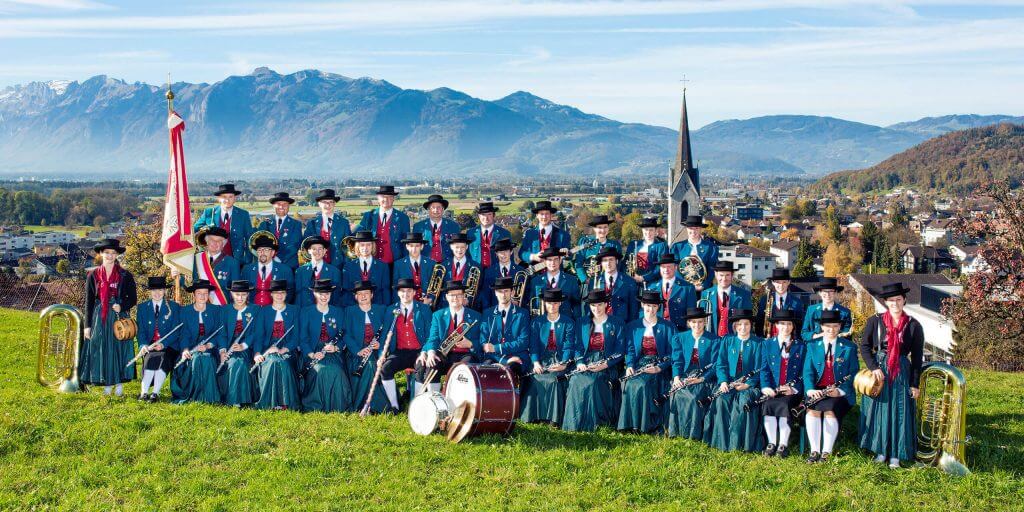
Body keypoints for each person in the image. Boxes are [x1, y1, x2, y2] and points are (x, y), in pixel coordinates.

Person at [858, 282, 924, 469]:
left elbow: (917, 358)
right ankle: (880, 450)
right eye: (891, 300)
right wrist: (873, 367)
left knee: (899, 412)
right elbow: (864, 347)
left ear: (904, 300)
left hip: (901, 371)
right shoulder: (875, 321)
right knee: (880, 410)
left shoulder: (914, 326)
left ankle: (896, 454)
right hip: (880, 370)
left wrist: (914, 384)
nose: (894, 303)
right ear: (885, 302)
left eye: (898, 299)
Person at [80, 238, 137, 397]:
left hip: (119, 318)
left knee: (118, 350)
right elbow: (89, 302)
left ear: (117, 255)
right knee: (103, 349)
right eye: (106, 253)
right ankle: (106, 384)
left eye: (113, 253)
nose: (110, 256)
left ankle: (118, 384)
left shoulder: (125, 275)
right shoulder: (93, 275)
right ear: (100, 254)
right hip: (100, 317)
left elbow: (133, 299)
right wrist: (87, 325)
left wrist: (122, 306)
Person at [562, 290, 626, 432]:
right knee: (575, 381)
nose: (596, 309)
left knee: (593, 382)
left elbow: (620, 351)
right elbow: (577, 346)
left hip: (607, 363)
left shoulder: (617, 323)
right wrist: (579, 363)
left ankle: (595, 424)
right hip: (586, 361)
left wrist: (605, 364)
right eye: (593, 306)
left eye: (599, 305)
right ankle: (573, 424)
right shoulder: (581, 322)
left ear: (606, 304)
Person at [804, 309, 859, 463]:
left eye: (835, 326)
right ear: (822, 327)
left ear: (840, 327)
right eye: (828, 326)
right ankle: (814, 451)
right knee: (811, 411)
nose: (831, 330)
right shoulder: (813, 345)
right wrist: (809, 390)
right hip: (818, 390)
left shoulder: (849, 347)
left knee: (829, 411)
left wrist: (840, 391)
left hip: (840, 393)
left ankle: (826, 452)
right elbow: (807, 371)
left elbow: (854, 373)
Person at [705, 308, 764, 452]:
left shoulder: (759, 343)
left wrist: (748, 384)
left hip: (749, 385)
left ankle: (740, 444)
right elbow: (721, 364)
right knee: (720, 401)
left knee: (743, 403)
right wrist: (723, 381)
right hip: (729, 383)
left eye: (747, 324)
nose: (743, 328)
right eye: (740, 325)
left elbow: (761, 368)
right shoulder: (727, 341)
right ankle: (722, 443)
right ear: (735, 326)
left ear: (751, 326)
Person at [617, 290, 674, 433]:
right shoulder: (633, 326)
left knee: (642, 385)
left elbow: (673, 353)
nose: (651, 309)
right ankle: (630, 424)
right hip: (640, 364)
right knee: (629, 383)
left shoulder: (668, 327)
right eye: (648, 306)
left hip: (660, 366)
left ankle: (644, 425)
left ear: (658, 307)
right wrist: (630, 365)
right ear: (642, 305)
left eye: (654, 306)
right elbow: (629, 350)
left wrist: (659, 368)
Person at [521, 289, 576, 425]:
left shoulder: (568, 322)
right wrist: (535, 363)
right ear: (545, 304)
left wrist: (564, 363)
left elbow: (568, 346)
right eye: (549, 303)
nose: (552, 306)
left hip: (560, 359)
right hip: (542, 359)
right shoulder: (537, 322)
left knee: (554, 380)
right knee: (535, 378)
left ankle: (553, 418)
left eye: (555, 303)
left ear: (560, 304)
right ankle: (533, 416)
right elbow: (533, 346)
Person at [418, 281, 482, 393]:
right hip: (444, 354)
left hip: (466, 354)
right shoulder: (438, 315)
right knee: (433, 363)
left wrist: (470, 344)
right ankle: (436, 399)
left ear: (464, 296)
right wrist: (431, 352)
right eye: (452, 295)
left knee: (465, 368)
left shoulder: (476, 316)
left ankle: (459, 400)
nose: (455, 298)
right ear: (447, 297)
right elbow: (433, 337)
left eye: (459, 294)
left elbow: (482, 341)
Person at [300, 279, 352, 413]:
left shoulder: (338, 312)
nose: (324, 297)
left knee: (337, 371)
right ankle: (316, 406)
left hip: (333, 352)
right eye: (320, 294)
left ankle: (338, 406)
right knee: (320, 370)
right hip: (313, 352)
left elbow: (344, 335)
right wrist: (311, 354)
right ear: (315, 294)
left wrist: (336, 348)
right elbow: (303, 339)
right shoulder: (306, 312)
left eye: (327, 294)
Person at [666, 308, 719, 439]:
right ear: (689, 323)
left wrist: (701, 379)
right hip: (685, 376)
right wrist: (677, 377)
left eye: (700, 322)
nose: (697, 325)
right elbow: (677, 360)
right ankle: (676, 431)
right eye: (693, 322)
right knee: (677, 393)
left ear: (705, 322)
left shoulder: (714, 340)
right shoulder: (679, 338)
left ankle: (692, 433)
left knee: (693, 397)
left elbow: (716, 365)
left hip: (704, 378)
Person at [758, 309, 805, 457]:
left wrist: (794, 389)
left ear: (793, 326)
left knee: (784, 405)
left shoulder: (801, 346)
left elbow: (805, 373)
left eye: (789, 324)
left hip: (792, 392)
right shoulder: (767, 344)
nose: (785, 327)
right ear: (776, 325)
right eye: (782, 324)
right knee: (767, 404)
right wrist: (766, 387)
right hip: (773, 389)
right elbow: (764, 369)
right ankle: (772, 442)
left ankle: (783, 444)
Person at [379, 279, 433, 406]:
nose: (406, 294)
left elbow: (431, 335)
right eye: (402, 291)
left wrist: (425, 351)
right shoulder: (390, 310)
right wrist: (382, 354)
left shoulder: (424, 309)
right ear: (398, 293)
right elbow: (385, 335)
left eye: (409, 291)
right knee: (385, 369)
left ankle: (415, 405)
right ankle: (394, 405)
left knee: (421, 370)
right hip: (400, 352)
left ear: (414, 292)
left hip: (419, 352)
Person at [171, 280, 224, 404]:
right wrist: (185, 350)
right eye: (199, 293)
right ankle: (195, 395)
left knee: (206, 358)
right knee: (195, 359)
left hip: (211, 347)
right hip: (190, 348)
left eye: (205, 293)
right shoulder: (184, 311)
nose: (202, 296)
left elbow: (220, 332)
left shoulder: (216, 310)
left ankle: (210, 396)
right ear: (194, 295)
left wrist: (208, 345)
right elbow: (183, 334)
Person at [343, 280, 392, 414]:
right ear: (355, 296)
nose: (363, 296)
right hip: (356, 352)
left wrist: (380, 344)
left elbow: (387, 330)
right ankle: (376, 406)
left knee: (371, 364)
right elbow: (346, 334)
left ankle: (367, 405)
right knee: (369, 366)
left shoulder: (381, 310)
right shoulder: (349, 311)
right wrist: (358, 350)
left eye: (366, 293)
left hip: (377, 351)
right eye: (360, 294)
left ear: (371, 295)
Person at [253, 280, 301, 410]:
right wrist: (257, 353)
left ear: (286, 294)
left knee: (281, 362)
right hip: (267, 349)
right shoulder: (263, 312)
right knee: (273, 362)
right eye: (276, 293)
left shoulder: (295, 310)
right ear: (271, 295)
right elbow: (258, 336)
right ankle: (271, 401)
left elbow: (296, 336)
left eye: (282, 293)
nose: (279, 295)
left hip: (288, 349)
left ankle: (284, 402)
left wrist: (283, 349)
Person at [134, 276, 181, 402]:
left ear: (165, 291)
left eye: (160, 290)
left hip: (169, 346)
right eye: (154, 290)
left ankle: (155, 393)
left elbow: (176, 331)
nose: (157, 293)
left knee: (162, 358)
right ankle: (144, 393)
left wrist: (163, 344)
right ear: (150, 291)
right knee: (150, 358)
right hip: (150, 344)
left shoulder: (174, 307)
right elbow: (141, 330)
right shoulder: (143, 307)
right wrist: (143, 345)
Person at [478, 276, 531, 376]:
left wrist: (497, 348)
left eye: (506, 291)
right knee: (484, 371)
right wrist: (503, 359)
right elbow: (483, 341)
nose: (503, 295)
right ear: (495, 293)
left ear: (512, 292)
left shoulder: (522, 314)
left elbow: (523, 342)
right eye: (500, 291)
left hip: (517, 356)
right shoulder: (487, 313)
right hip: (494, 357)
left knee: (511, 370)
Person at [218, 280, 259, 407]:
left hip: (248, 347)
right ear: (232, 295)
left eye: (243, 294)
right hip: (230, 345)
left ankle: (238, 399)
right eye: (237, 295)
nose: (240, 298)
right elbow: (222, 333)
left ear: (248, 295)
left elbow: (257, 332)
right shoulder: (225, 310)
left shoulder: (255, 309)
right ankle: (232, 397)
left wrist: (243, 345)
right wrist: (223, 351)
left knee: (239, 363)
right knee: (231, 362)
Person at [193, 183, 254, 265]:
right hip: (212, 261)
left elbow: (249, 239)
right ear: (219, 198)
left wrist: (247, 261)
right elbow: (193, 230)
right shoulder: (209, 213)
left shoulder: (243, 214)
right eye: (224, 197)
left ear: (235, 198)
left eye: (230, 197)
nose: (227, 200)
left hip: (236, 261)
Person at [356, 185, 410, 267]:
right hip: (371, 263)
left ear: (393, 199)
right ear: (378, 198)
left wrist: (405, 264)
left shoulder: (403, 218)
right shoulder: (368, 216)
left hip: (394, 263)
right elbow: (356, 235)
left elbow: (406, 244)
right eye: (383, 197)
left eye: (390, 197)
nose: (386, 199)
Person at [581, 247, 637, 324]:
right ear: (601, 263)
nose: (608, 263)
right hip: (599, 326)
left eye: (611, 259)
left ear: (616, 261)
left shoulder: (629, 282)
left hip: (622, 325)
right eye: (605, 260)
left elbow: (634, 310)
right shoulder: (593, 282)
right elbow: (588, 308)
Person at [699, 261, 752, 338]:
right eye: (721, 275)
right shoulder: (706, 294)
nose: (724, 279)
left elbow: (748, 321)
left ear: (732, 275)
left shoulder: (744, 295)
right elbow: (701, 319)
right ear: (716, 275)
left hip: (734, 340)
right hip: (712, 339)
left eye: (727, 275)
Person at [302, 188, 353, 266]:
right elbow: (305, 246)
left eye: (331, 202)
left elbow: (348, 248)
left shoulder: (343, 223)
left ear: (334, 204)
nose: (328, 205)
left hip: (338, 266)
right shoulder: (312, 224)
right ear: (319, 204)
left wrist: (346, 267)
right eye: (324, 202)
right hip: (317, 265)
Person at [646, 254, 697, 331]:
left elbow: (691, 314)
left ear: (675, 268)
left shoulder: (688, 288)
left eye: (669, 266)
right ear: (660, 268)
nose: (666, 270)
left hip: (679, 330)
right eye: (663, 267)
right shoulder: (651, 287)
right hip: (657, 330)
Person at [188, 226, 238, 306]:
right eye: (212, 240)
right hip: (200, 306)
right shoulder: (196, 259)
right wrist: (178, 275)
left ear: (223, 244)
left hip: (222, 307)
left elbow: (236, 290)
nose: (215, 243)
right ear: (207, 241)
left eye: (219, 241)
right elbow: (189, 282)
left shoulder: (232, 262)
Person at [242, 232, 295, 306]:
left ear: (273, 252)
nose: (262, 253)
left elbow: (290, 293)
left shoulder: (285, 270)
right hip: (252, 310)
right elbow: (242, 292)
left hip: (275, 311)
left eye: (266, 250)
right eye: (260, 250)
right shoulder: (247, 269)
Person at [526, 247, 580, 318]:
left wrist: (575, 324)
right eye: (549, 260)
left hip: (565, 324)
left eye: (556, 259)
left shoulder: (571, 280)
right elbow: (531, 305)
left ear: (560, 260)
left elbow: (576, 306)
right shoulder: (535, 281)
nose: (553, 263)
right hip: (542, 324)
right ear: (545, 262)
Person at [341, 230, 391, 306]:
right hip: (354, 308)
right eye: (362, 245)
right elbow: (346, 291)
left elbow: (385, 291)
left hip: (377, 307)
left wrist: (384, 309)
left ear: (373, 246)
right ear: (357, 247)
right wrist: (350, 309)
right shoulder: (348, 266)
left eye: (368, 245)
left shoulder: (383, 266)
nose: (365, 248)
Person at [670, 215, 719, 292]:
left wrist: (703, 285)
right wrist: (686, 286)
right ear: (686, 229)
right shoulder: (677, 247)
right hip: (682, 288)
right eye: (691, 228)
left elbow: (712, 268)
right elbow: (674, 269)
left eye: (696, 228)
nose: (693, 231)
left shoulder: (711, 247)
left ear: (701, 229)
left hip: (703, 289)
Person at [257, 191, 303, 269]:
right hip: (267, 265)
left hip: (289, 266)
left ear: (289, 206)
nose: (281, 207)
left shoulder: (296, 224)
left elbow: (295, 245)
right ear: (273, 206)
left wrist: (277, 258)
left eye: (285, 204)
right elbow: (258, 245)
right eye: (278, 204)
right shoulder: (264, 224)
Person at [293, 236, 343, 308]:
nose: (317, 252)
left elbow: (336, 297)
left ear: (325, 251)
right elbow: (298, 296)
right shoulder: (300, 271)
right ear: (309, 251)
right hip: (305, 312)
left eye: (320, 249)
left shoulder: (335, 272)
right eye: (314, 249)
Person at [755, 268, 805, 338]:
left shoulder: (797, 302)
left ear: (789, 282)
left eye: (784, 282)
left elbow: (800, 325)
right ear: (773, 282)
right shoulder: (765, 300)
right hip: (769, 341)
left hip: (790, 341)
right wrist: (761, 339)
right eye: (778, 282)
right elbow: (759, 322)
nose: (781, 286)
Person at [573, 214, 624, 283]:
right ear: (594, 229)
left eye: (605, 227)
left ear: (608, 228)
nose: (603, 230)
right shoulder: (585, 242)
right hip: (588, 283)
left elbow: (618, 266)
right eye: (599, 227)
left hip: (609, 282)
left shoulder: (615, 245)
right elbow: (578, 264)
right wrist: (585, 279)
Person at [517, 200, 570, 265]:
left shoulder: (563, 235)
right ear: (537, 215)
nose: (544, 217)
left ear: (551, 215)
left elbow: (570, 256)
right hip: (534, 274)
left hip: (555, 273)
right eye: (541, 214)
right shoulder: (530, 234)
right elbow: (521, 253)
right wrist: (533, 257)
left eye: (547, 214)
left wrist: (566, 252)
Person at [392, 232, 438, 306]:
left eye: (417, 246)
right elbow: (395, 287)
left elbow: (435, 287)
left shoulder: (431, 263)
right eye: (411, 246)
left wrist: (430, 299)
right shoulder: (398, 264)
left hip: (426, 303)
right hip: (406, 302)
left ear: (422, 246)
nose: (414, 249)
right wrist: (397, 305)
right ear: (407, 246)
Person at [413, 194, 461, 263]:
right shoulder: (418, 226)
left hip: (448, 265)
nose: (436, 210)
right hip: (425, 265)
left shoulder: (454, 226)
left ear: (443, 209)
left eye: (439, 207)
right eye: (433, 207)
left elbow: (458, 247)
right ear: (428, 210)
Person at [801, 277, 852, 342]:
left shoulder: (845, 312)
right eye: (825, 291)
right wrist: (819, 335)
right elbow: (804, 333)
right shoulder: (811, 310)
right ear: (820, 293)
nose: (828, 294)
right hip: (814, 348)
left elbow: (846, 335)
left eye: (831, 291)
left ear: (835, 293)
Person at [438, 232, 482, 309]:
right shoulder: (443, 266)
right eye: (457, 247)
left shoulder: (476, 267)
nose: (459, 250)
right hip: (446, 307)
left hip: (467, 307)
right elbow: (439, 289)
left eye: (462, 247)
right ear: (451, 247)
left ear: (467, 247)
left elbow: (479, 289)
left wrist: (469, 300)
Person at [467, 201, 510, 271]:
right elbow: (467, 255)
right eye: (483, 215)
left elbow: (510, 257)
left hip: (497, 272)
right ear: (479, 216)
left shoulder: (504, 233)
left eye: (489, 214)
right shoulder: (470, 233)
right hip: (476, 273)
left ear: (493, 215)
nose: (486, 218)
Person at [625, 216, 667, 285]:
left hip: (653, 283)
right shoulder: (633, 244)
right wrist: (630, 275)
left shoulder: (661, 246)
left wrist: (643, 278)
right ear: (642, 230)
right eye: (646, 229)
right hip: (632, 281)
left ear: (656, 231)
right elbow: (625, 262)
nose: (648, 232)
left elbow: (661, 266)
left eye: (651, 230)